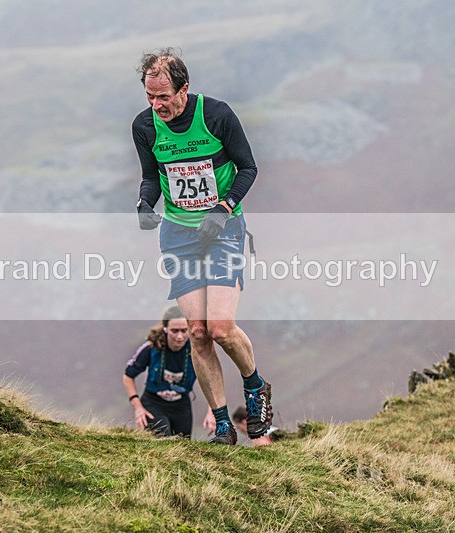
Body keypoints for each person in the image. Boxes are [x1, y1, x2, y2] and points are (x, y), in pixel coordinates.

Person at [132, 48, 273, 445]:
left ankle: (256, 388)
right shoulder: (144, 126)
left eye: (164, 96)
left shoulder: (216, 115)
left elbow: (248, 167)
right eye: (149, 96)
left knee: (220, 327)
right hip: (179, 235)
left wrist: (223, 206)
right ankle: (223, 424)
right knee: (197, 332)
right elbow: (151, 177)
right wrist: (145, 204)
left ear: (185, 88)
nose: (156, 105)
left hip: (223, 228)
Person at [123, 306, 215, 438]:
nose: (179, 336)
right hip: (154, 403)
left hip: (181, 405)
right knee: (163, 440)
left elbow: (212, 380)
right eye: (174, 331)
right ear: (165, 329)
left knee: (182, 446)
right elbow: (128, 376)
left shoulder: (197, 350)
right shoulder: (151, 347)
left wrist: (213, 411)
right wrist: (137, 407)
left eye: (184, 331)